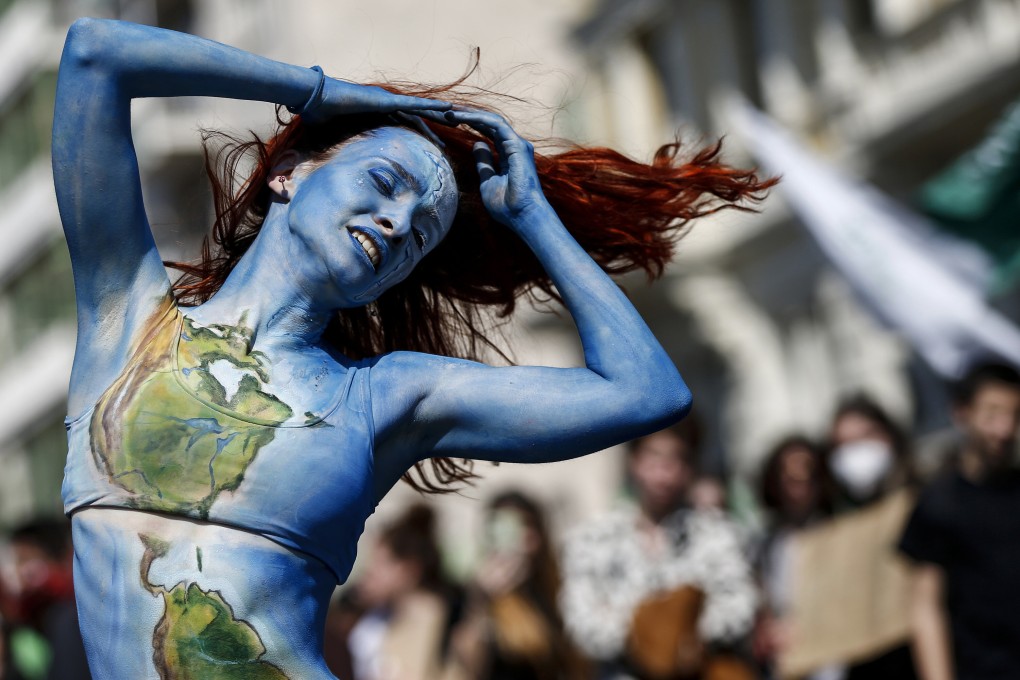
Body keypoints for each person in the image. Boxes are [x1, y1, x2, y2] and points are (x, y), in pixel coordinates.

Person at [54, 18, 772, 679]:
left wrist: (532, 217)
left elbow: (647, 393)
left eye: (422, 232)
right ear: (289, 170)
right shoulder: (129, 314)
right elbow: (93, 53)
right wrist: (323, 91)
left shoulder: (387, 395)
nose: (399, 223)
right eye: (383, 182)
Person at [559, 421, 758, 680]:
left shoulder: (719, 535)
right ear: (634, 462)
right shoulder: (593, 538)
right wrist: (642, 634)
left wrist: (684, 639)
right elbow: (581, 619)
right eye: (654, 457)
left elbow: (739, 604)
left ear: (690, 468)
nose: (664, 473)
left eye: (677, 459)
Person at [898, 361, 1020, 680]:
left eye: (1014, 415)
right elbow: (926, 607)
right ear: (962, 413)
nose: (1004, 429)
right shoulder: (939, 502)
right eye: (992, 414)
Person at [446, 491, 588, 680]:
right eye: (509, 528)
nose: (523, 538)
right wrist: (481, 601)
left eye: (528, 525)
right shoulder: (472, 594)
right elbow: (469, 665)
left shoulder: (556, 589)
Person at [752, 435, 834, 680]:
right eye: (789, 479)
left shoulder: (835, 534)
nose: (798, 488)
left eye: (807, 478)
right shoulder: (764, 544)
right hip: (784, 661)